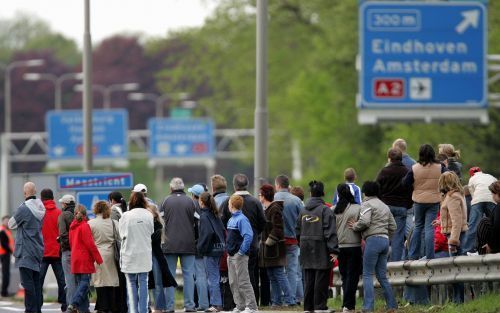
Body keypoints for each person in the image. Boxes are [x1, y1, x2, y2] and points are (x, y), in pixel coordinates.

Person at [348, 181, 397, 312]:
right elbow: (393, 226)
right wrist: (386, 237)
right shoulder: (384, 206)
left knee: (368, 274)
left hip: (373, 240)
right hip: (385, 241)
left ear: (365, 192)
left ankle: (368, 307)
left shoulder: (367, 204)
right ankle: (392, 305)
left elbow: (365, 221)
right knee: (382, 276)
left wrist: (355, 226)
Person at [220, 174, 266, 301]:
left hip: (234, 245)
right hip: (252, 244)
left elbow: (222, 222)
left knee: (235, 276)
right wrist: (256, 234)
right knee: (251, 274)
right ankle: (253, 301)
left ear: (234, 186)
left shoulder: (228, 202)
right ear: (247, 184)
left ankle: (239, 303)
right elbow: (263, 222)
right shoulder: (255, 202)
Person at [296, 180, 338, 313]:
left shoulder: (303, 211)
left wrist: (302, 244)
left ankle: (308, 307)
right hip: (321, 248)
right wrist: (333, 250)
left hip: (305, 247)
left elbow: (297, 230)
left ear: (310, 193)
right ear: (323, 193)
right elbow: (330, 231)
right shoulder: (325, 210)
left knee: (309, 278)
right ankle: (320, 307)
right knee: (321, 277)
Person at [403, 144, 446, 260]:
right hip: (434, 200)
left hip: (418, 201)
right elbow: (448, 179)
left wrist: (414, 188)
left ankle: (412, 255)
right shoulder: (440, 167)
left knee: (417, 227)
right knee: (429, 228)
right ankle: (430, 256)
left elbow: (404, 183)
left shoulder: (414, 168)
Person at [161, 177, 197, 312]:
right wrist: (195, 238)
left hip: (169, 244)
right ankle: (189, 306)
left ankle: (169, 307)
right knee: (188, 276)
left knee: (170, 276)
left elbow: (160, 222)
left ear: (171, 188)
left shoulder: (165, 201)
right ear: (183, 188)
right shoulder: (191, 201)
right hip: (188, 244)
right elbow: (197, 222)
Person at [9, 182, 45, 313]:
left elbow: (11, 223)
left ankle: (30, 310)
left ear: (25, 193)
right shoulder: (41, 207)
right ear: (35, 192)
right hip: (37, 249)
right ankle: (36, 309)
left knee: (27, 284)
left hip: (25, 251)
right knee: (36, 283)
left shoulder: (24, 208)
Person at [258, 184, 294, 307]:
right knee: (272, 276)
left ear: (264, 195)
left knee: (279, 274)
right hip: (269, 250)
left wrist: (268, 242)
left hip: (274, 249)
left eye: (260, 194)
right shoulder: (267, 209)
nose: (259, 196)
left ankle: (290, 301)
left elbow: (278, 229)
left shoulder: (274, 209)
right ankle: (276, 301)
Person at [436, 171, 468, 303]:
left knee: (456, 270)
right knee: (456, 269)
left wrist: (453, 241)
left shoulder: (452, 197)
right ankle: (457, 300)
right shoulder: (457, 194)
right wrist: (440, 222)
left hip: (455, 236)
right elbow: (453, 217)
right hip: (456, 233)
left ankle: (458, 301)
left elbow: (457, 221)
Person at [119, 191, 154, 313]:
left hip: (129, 254)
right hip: (144, 254)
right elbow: (151, 232)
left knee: (131, 283)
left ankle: (133, 310)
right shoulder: (149, 215)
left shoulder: (125, 216)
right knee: (144, 282)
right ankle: (143, 310)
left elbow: (121, 234)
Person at [375, 148, 413, 261]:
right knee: (398, 236)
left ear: (389, 158)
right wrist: (407, 205)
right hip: (401, 207)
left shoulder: (384, 171)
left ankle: (383, 261)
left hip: (385, 207)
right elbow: (411, 190)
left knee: (383, 235)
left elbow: (376, 189)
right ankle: (395, 264)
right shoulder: (406, 171)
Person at [67, 204, 103, 313]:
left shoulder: (72, 226)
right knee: (84, 283)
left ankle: (84, 310)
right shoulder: (84, 226)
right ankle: (73, 303)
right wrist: (98, 259)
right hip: (84, 259)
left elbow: (70, 242)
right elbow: (90, 244)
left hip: (75, 258)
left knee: (81, 287)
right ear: (85, 214)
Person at [273, 175, 303, 305]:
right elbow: (302, 220)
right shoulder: (297, 201)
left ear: (278, 185)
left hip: (276, 241)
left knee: (277, 270)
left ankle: (277, 298)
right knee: (292, 271)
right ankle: (291, 299)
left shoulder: (272, 199)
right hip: (293, 240)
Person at [332, 183, 362, 313]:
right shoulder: (357, 208)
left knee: (345, 276)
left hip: (340, 248)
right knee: (353, 276)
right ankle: (349, 306)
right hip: (354, 246)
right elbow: (363, 224)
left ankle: (346, 304)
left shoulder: (333, 209)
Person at [226, 194, 258, 313]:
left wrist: (241, 252)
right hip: (231, 255)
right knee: (233, 282)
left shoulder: (242, 219)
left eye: (229, 203)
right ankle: (240, 305)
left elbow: (248, 236)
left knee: (243, 281)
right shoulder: (231, 219)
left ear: (232, 205)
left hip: (239, 256)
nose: (228, 205)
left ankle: (252, 306)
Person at [88, 201, 122, 313]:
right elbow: (120, 237)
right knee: (112, 280)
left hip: (97, 254)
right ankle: (113, 305)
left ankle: (102, 306)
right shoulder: (114, 222)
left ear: (96, 209)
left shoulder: (90, 223)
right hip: (112, 253)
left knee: (99, 280)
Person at [197, 192, 225, 312]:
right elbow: (222, 230)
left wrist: (200, 247)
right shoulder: (215, 214)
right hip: (219, 249)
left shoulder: (204, 216)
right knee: (216, 276)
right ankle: (217, 302)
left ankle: (216, 304)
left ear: (201, 202)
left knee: (212, 278)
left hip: (210, 251)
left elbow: (207, 233)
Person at [148, 199, 177, 313]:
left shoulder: (158, 225)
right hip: (146, 255)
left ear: (155, 214)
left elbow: (152, 239)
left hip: (155, 256)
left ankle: (159, 307)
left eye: (149, 212)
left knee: (158, 283)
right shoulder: (146, 224)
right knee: (148, 283)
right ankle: (149, 306)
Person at [39, 189, 67, 312]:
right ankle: (64, 304)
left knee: (38, 281)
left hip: (42, 252)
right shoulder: (59, 213)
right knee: (62, 280)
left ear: (42, 198)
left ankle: (37, 305)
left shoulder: (39, 213)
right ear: (52, 198)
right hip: (57, 252)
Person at [462, 167, 497, 253]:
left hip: (478, 200)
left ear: (471, 174)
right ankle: (495, 247)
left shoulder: (472, 179)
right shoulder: (490, 176)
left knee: (473, 226)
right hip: (491, 199)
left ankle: (467, 250)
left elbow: (472, 194)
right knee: (494, 224)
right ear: (481, 171)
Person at [189, 184, 210, 311]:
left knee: (199, 276)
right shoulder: (207, 208)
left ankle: (202, 304)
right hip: (205, 245)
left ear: (194, 195)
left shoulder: (193, 206)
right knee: (204, 276)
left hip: (196, 246)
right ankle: (206, 302)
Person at [58, 194, 77, 306]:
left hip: (68, 251)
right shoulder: (80, 213)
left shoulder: (63, 215)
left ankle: (71, 305)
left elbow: (62, 234)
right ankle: (80, 304)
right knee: (79, 280)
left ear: (64, 204)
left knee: (69, 280)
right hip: (80, 251)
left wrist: (62, 243)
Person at [479, 181, 500, 254]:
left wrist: (491, 244)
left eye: (492, 194)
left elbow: (497, 226)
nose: (492, 196)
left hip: (494, 248)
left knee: (484, 221)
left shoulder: (498, 207)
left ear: (497, 193)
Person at [0, 216, 13, 298]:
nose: (7, 222)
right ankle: (4, 292)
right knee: (6, 273)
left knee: (6, 273)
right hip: (4, 253)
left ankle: (4, 291)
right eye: (6, 221)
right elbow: (4, 244)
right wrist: (11, 251)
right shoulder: (3, 231)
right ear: (3, 221)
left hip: (5, 253)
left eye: (8, 221)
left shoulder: (7, 230)